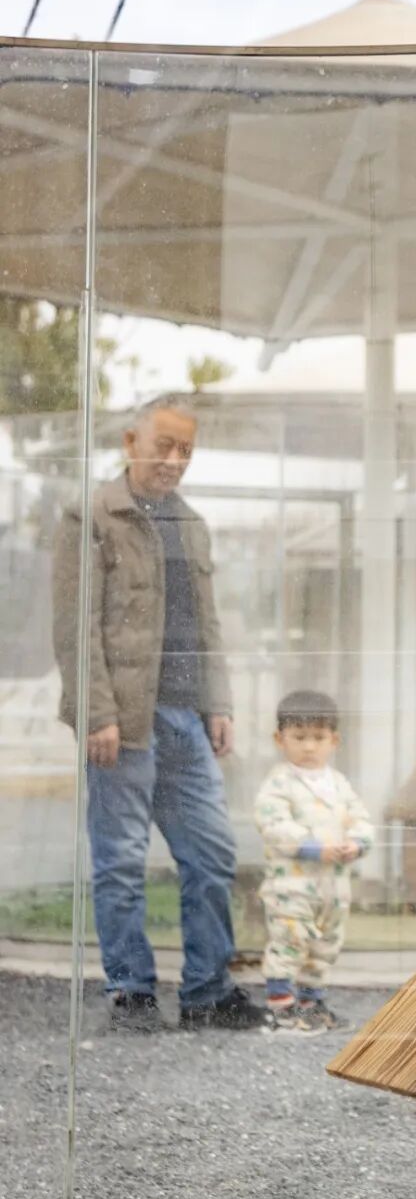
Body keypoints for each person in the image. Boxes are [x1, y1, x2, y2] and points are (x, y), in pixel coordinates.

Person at [52, 393, 266, 1033]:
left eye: (186, 450)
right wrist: (96, 713)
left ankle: (206, 993)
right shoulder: (91, 514)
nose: (174, 460)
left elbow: (208, 624)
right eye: (164, 446)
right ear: (130, 442)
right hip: (122, 721)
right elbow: (74, 627)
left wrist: (217, 702)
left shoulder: (191, 523)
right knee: (120, 861)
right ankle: (132, 993)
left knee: (213, 853)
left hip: (186, 720)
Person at [253, 690, 375, 1032]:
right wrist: (310, 846)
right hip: (292, 884)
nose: (309, 747)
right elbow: (272, 823)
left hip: (333, 887)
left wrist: (356, 843)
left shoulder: (339, 784)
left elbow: (360, 819)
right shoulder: (279, 783)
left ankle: (311, 1003)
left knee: (325, 944)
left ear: (334, 740)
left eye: (318, 738)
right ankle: (281, 1006)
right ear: (280, 739)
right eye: (299, 737)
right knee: (290, 940)